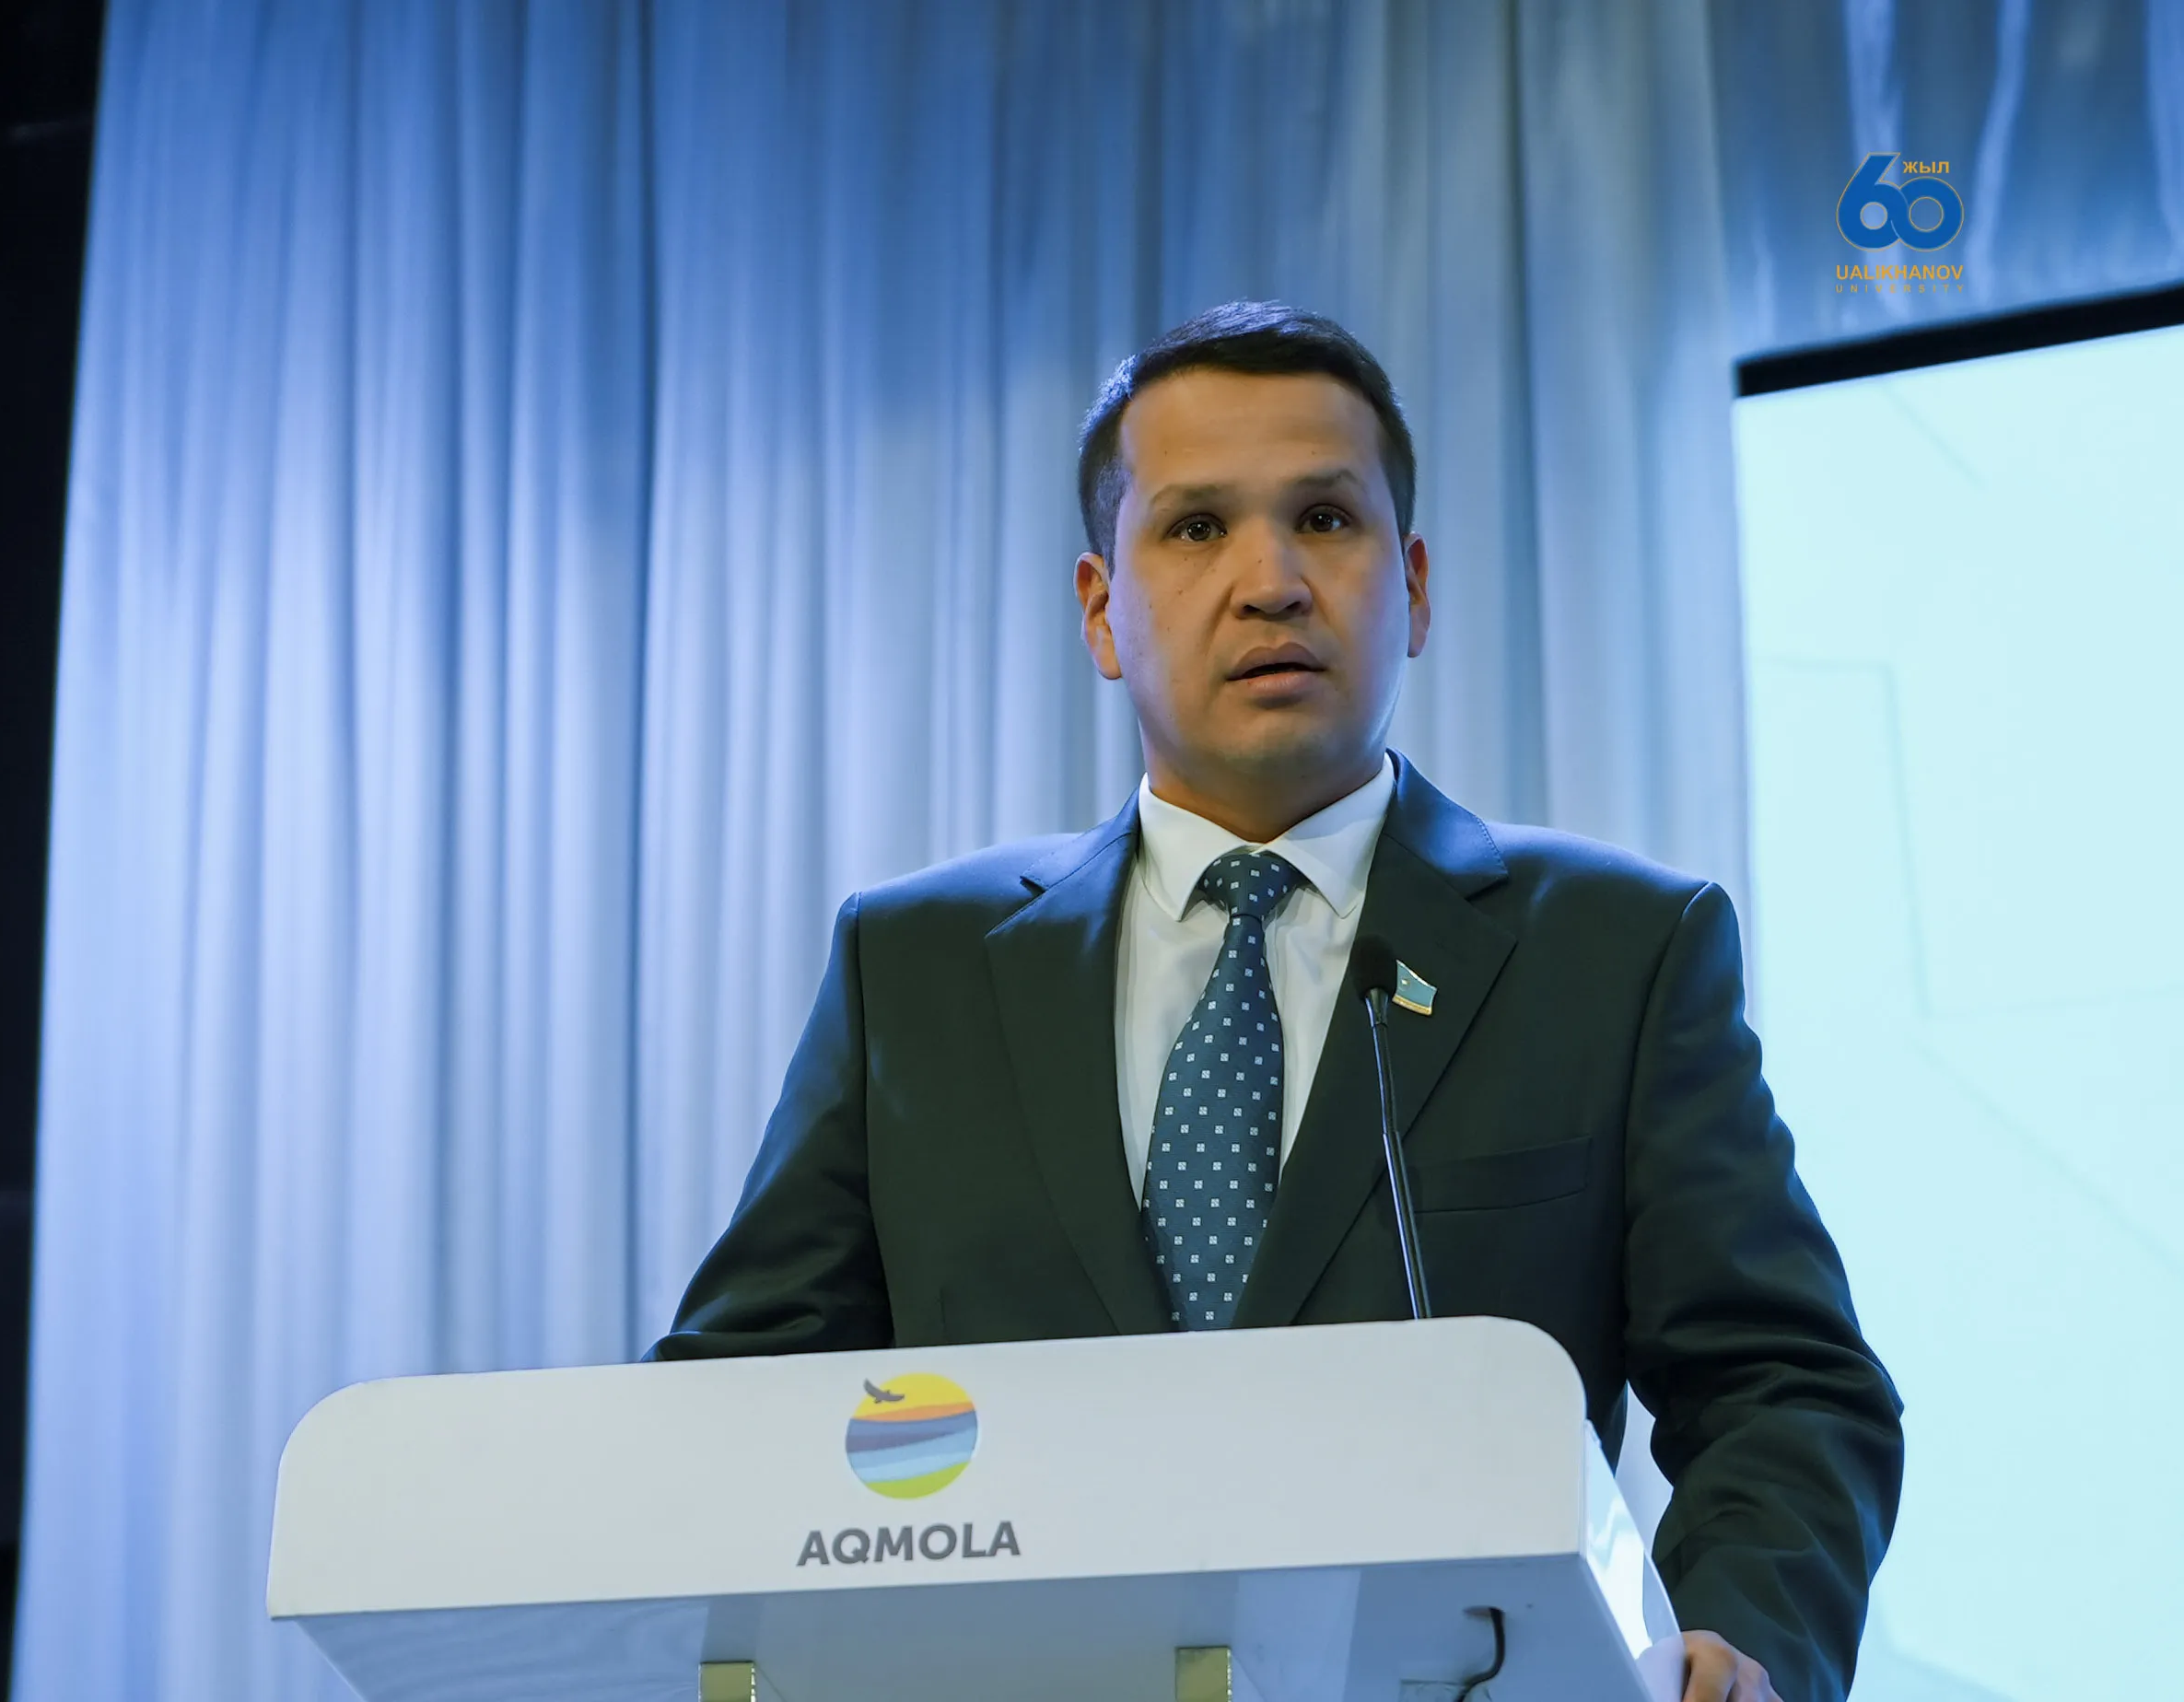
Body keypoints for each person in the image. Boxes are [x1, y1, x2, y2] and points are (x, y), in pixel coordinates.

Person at [649, 301, 1902, 1702]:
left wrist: (1740, 1641)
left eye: (1325, 518)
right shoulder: (916, 967)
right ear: (1100, 610)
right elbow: (739, 1401)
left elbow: (1783, 1385)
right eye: (1197, 528)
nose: (1272, 583)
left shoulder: (1614, 952)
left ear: (1412, 586)